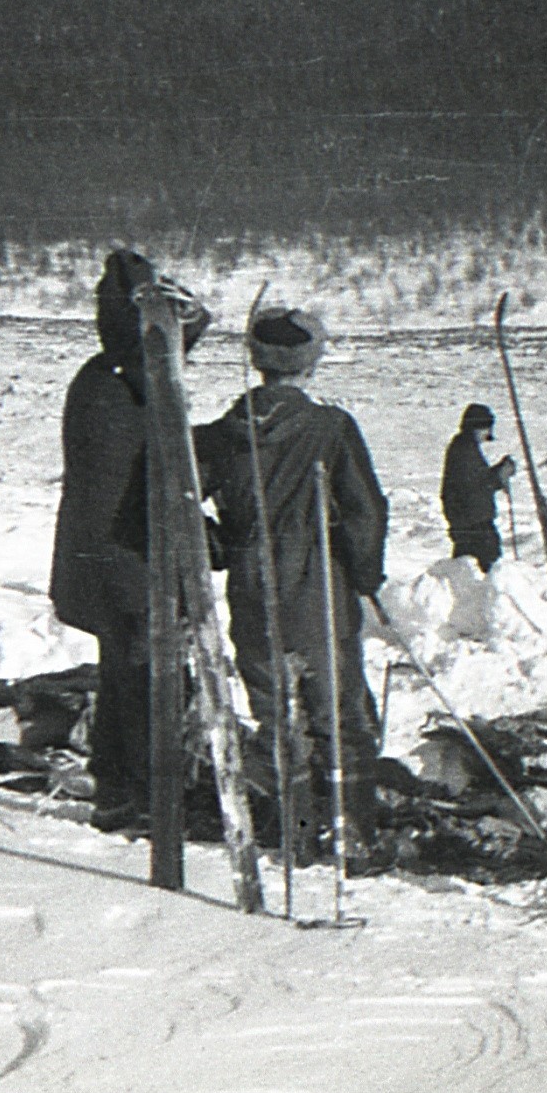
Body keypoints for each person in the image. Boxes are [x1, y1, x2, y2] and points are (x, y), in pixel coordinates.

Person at [192, 306, 391, 846]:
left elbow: (179, 504)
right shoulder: (331, 428)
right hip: (319, 589)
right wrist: (366, 575)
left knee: (277, 719)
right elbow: (364, 512)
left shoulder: (218, 436)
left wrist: (220, 545)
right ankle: (353, 836)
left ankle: (299, 833)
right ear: (309, 363)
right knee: (339, 715)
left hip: (253, 592)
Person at [49, 249, 208, 832]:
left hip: (99, 561)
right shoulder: (137, 384)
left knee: (122, 678)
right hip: (129, 562)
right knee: (146, 682)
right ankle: (147, 799)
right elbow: (157, 480)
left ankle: (118, 792)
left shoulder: (102, 375)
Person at [439, 403, 516, 572]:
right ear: (477, 428)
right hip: (474, 526)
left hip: (469, 524)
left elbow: (477, 481)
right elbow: (475, 487)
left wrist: (498, 473)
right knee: (485, 570)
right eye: (486, 428)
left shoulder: (463, 447)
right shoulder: (464, 450)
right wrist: (499, 475)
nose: (488, 434)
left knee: (467, 571)